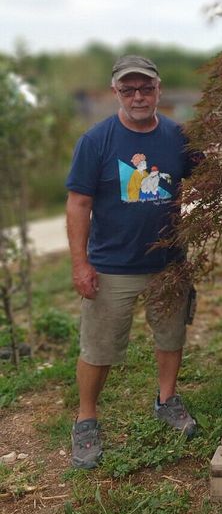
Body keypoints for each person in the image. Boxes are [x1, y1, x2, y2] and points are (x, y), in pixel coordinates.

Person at [66, 54, 198, 469]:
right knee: (99, 347)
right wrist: (79, 264)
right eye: (129, 89)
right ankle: (86, 418)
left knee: (170, 336)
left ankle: (166, 399)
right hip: (111, 266)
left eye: (146, 88)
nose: (138, 96)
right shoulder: (96, 142)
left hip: (168, 262)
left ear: (159, 90)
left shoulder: (178, 137)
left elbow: (206, 180)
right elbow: (79, 203)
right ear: (116, 93)